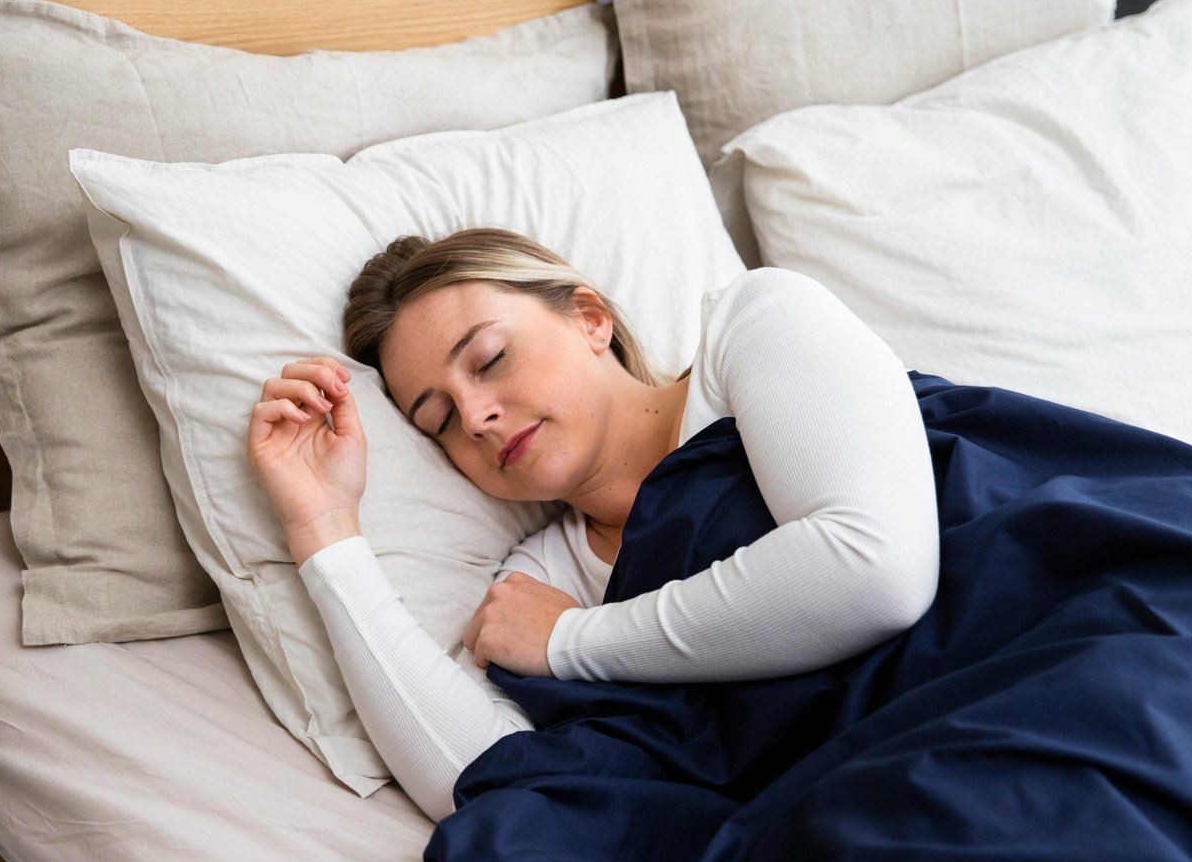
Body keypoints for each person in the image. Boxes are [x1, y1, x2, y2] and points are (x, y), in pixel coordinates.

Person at [246, 228, 941, 822]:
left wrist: (571, 640)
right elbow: (476, 777)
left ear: (589, 318)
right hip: (861, 790)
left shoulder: (756, 326)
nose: (478, 416)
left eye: (489, 360)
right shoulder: (540, 579)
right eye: (441, 420)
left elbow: (879, 571)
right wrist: (325, 529)